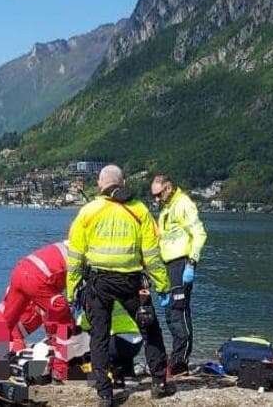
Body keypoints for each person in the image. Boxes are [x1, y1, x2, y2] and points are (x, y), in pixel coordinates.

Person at [66, 165, 174, 407]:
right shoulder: (139, 210)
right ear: (123, 183)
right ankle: (159, 383)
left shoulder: (88, 212)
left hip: (98, 282)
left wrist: (71, 289)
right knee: (150, 330)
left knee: (99, 337)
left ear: (100, 184)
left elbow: (75, 256)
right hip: (132, 281)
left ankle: (105, 393)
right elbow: (152, 255)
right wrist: (163, 286)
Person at [0, 242, 73, 381]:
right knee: (64, 323)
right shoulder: (84, 255)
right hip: (38, 280)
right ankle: (60, 373)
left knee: (6, 325)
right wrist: (53, 336)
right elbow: (51, 316)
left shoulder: (66, 245)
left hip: (21, 270)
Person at [150, 174, 207, 376]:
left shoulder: (183, 204)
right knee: (170, 313)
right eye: (153, 196)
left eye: (158, 195)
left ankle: (180, 362)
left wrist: (192, 262)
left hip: (181, 263)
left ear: (168, 188)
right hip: (168, 264)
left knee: (179, 311)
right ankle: (175, 358)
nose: (156, 199)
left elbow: (199, 233)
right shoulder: (166, 209)